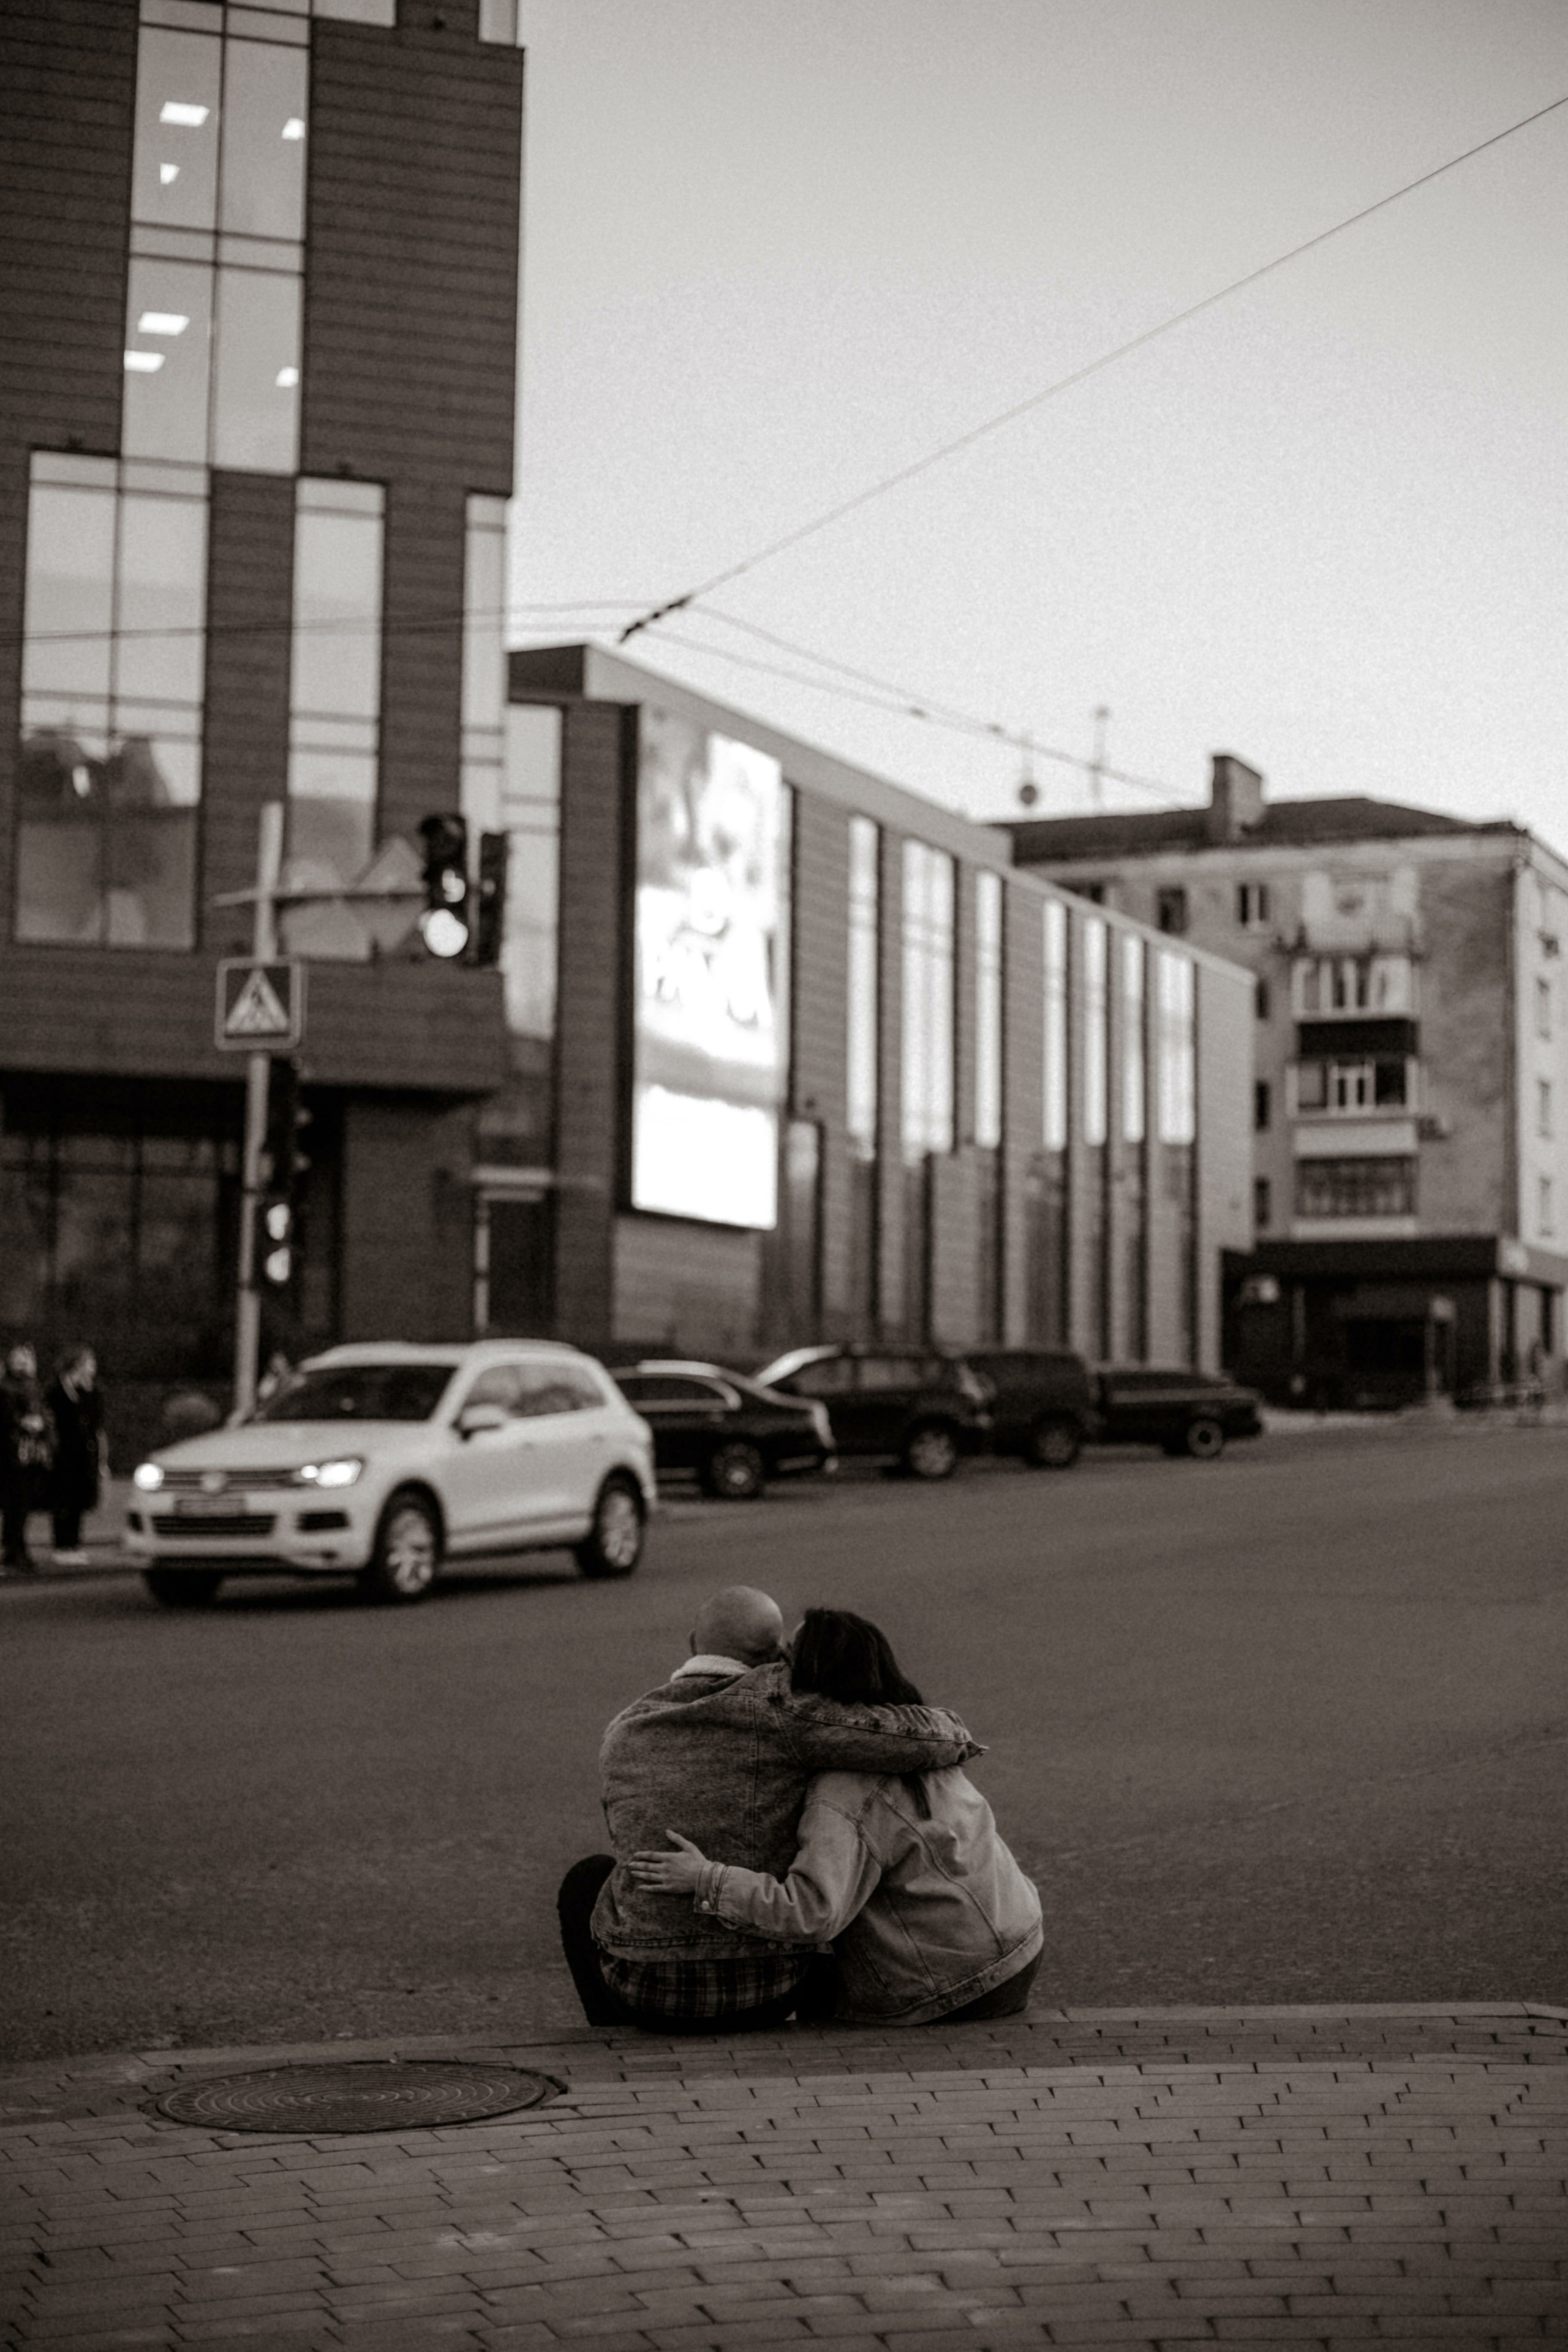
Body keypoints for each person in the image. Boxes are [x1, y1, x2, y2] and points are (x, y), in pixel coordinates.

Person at [559, 1585, 979, 2035]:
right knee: (829, 1870)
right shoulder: (783, 1709)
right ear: (778, 1655)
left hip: (644, 1995)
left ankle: (609, 2032)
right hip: (766, 1993)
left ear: (691, 1644)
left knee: (588, 1878)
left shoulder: (625, 1728)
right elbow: (917, 1739)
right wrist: (956, 1730)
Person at [630, 1607, 1042, 2027]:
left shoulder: (846, 1788)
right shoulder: (912, 1736)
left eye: (786, 1661)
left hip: (952, 1987)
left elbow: (812, 1913)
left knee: (788, 1978)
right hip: (1019, 1944)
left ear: (809, 1685)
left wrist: (705, 1878)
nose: (773, 1672)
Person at [46, 1346, 105, 1567]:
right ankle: (61, 1546)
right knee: (63, 1500)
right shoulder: (57, 1391)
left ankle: (74, 1544)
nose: (92, 1367)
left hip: (84, 1456)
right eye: (88, 1363)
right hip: (63, 1456)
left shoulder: (92, 1392)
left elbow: (97, 1425)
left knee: (79, 1500)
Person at [1, 1344, 56, 1576]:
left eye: (26, 1358)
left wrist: (42, 1424)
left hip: (29, 1453)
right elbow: (8, 1417)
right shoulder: (7, 1388)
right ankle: (14, 1549)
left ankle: (16, 1549)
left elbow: (45, 1413)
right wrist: (25, 1423)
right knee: (16, 1503)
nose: (23, 1363)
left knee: (22, 1504)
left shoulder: (32, 1386)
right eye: (18, 1359)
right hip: (13, 1453)